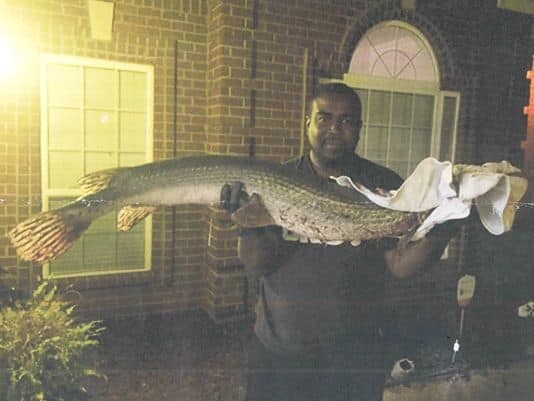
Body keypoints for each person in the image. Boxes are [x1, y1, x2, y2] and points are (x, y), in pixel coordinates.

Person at [221, 83, 458, 401]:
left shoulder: (386, 187)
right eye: (324, 118)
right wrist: (247, 223)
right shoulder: (276, 181)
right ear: (307, 123)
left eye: (346, 121)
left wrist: (449, 223)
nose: (334, 129)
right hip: (281, 351)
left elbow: (400, 265)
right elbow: (256, 264)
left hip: (355, 355)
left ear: (359, 129)